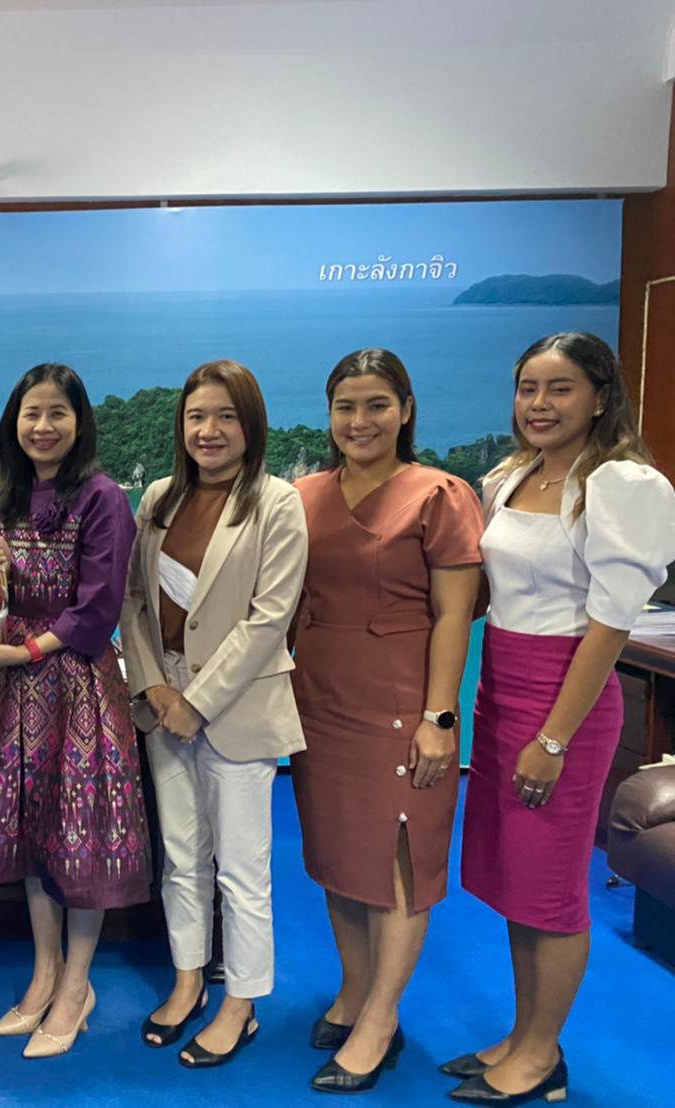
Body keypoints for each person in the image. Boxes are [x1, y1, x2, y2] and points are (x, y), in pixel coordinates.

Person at [446, 333, 675, 1105]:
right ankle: (522, 1033)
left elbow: (608, 629)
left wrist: (553, 739)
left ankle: (543, 1056)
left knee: (550, 886)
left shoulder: (619, 484)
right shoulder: (513, 475)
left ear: (600, 397)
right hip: (502, 686)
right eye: (528, 388)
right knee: (515, 878)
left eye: (560, 389)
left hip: (565, 699)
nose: (539, 405)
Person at [290, 348, 483, 1094]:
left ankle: (380, 1019)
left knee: (398, 859)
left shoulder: (440, 494)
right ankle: (354, 987)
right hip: (317, 700)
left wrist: (441, 716)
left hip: (403, 704)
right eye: (345, 406)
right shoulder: (303, 495)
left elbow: (454, 614)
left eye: (376, 405)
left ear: (405, 410)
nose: (359, 420)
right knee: (338, 853)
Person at [120, 360, 308, 1067]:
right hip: (162, 701)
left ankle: (242, 1003)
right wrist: (153, 688)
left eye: (226, 416)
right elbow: (134, 604)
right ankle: (188, 978)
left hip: (236, 708)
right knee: (181, 857)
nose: (209, 430)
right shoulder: (159, 498)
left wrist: (197, 703)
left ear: (250, 424)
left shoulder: (278, 503)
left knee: (242, 866)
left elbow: (269, 619)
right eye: (197, 416)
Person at [0, 362, 149, 1059]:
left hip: (77, 687)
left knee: (79, 835)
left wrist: (26, 650)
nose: (42, 426)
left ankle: (76, 986)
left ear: (79, 422)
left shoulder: (103, 498)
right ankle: (44, 974)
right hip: (16, 688)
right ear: (14, 422)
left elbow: (97, 610)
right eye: (31, 413)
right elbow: (12, 594)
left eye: (56, 413)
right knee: (33, 834)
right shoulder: (7, 498)